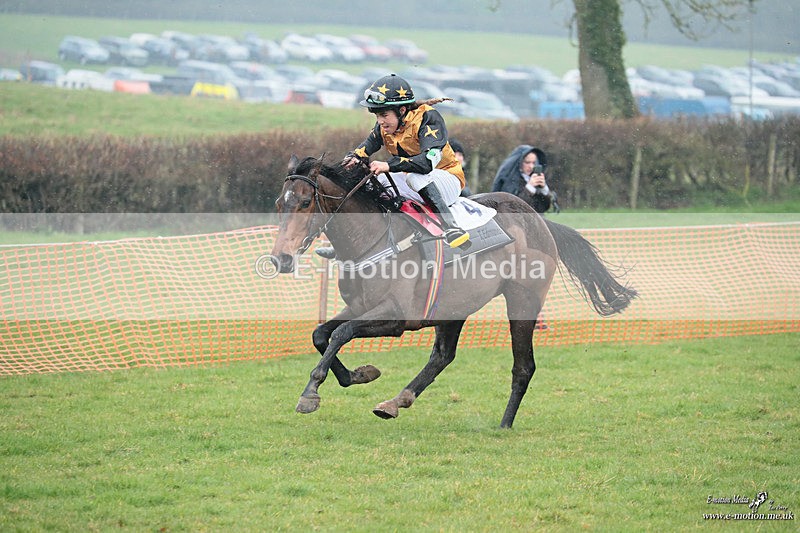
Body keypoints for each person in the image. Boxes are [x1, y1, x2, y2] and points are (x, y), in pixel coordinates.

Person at [343, 74, 470, 247]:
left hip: (447, 179)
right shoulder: (386, 124)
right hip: (415, 180)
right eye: (377, 116)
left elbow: (426, 164)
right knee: (373, 182)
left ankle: (451, 227)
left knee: (414, 177)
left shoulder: (428, 118)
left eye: (384, 115)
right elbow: (364, 148)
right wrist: (352, 158)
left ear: (401, 110)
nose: (380, 121)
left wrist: (388, 165)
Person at [491, 144, 559, 214]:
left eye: (533, 162)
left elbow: (541, 208)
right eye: (527, 162)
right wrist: (529, 188)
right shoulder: (510, 182)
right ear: (520, 162)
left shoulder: (535, 178)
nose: (531, 166)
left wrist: (544, 189)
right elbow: (513, 208)